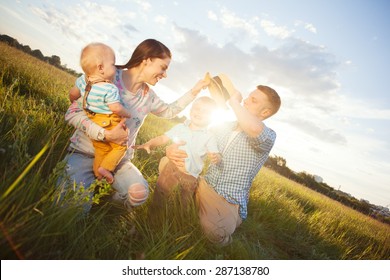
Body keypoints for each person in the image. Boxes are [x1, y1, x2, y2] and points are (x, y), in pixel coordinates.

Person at [61, 39, 208, 211]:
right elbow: (72, 113)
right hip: (84, 153)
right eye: (163, 67)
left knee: (139, 193)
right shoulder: (107, 76)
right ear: (146, 60)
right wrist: (104, 134)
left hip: (119, 161)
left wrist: (195, 90)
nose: (165, 75)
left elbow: (169, 111)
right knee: (69, 208)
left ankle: (110, 199)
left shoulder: (148, 97)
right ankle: (89, 190)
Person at [166, 76, 281, 245]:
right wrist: (171, 149)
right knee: (166, 165)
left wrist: (233, 101)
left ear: (264, 113)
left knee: (213, 233)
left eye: (253, 101)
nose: (246, 101)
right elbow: (194, 139)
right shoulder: (223, 126)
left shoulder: (268, 136)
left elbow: (254, 128)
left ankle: (220, 223)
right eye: (248, 97)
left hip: (227, 200)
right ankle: (191, 206)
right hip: (203, 184)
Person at [133, 96, 221, 210]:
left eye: (206, 112)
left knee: (183, 203)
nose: (200, 112)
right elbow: (163, 138)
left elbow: (215, 153)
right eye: (197, 108)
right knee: (161, 191)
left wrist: (216, 157)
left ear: (212, 118)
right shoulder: (180, 127)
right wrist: (149, 143)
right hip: (172, 167)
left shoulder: (209, 136)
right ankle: (154, 213)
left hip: (191, 176)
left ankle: (178, 219)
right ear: (190, 111)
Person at [68, 42, 131, 184]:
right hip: (108, 121)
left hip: (92, 120)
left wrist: (74, 101)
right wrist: (127, 113)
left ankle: (98, 172)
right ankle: (106, 168)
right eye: (113, 64)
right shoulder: (110, 88)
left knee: (100, 149)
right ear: (101, 68)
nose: (115, 68)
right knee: (120, 147)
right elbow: (115, 108)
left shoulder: (82, 81)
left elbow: (73, 95)